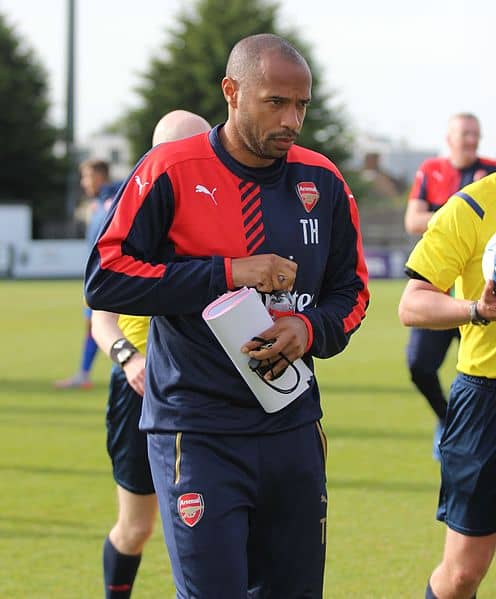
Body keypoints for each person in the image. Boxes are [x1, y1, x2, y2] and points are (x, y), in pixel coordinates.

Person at [85, 33, 369, 598]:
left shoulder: (324, 180)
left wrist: (309, 328)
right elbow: (106, 275)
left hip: (292, 428)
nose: (292, 119)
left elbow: (353, 294)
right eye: (275, 102)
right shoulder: (169, 169)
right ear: (232, 92)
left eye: (301, 105)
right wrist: (227, 272)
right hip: (199, 430)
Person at [92, 110, 212, 599]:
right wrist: (129, 358)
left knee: (214, 524)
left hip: (209, 386)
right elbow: (101, 319)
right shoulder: (129, 216)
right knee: (136, 528)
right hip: (142, 389)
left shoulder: (219, 208)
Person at [399, 172, 496, 599]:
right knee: (462, 573)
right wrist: (477, 308)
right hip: (486, 400)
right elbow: (413, 303)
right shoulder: (472, 207)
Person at [403, 113, 496, 459]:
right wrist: (458, 212)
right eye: (465, 134)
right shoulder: (431, 171)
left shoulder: (491, 171)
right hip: (441, 291)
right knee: (418, 365)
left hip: (477, 291)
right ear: (450, 137)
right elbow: (413, 220)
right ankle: (446, 418)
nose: (471, 140)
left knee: (475, 368)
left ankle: (460, 428)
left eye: (476, 133)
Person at [55, 159, 121, 389]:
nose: (84, 183)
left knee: (105, 325)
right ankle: (85, 374)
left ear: (100, 176)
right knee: (96, 325)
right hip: (97, 277)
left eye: (87, 177)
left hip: (109, 278)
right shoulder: (98, 204)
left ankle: (121, 372)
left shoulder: (115, 199)